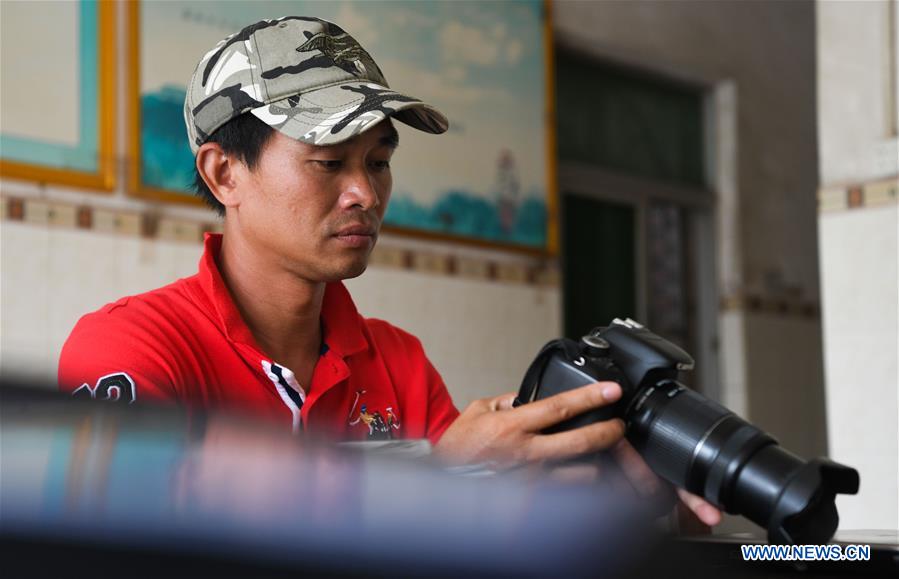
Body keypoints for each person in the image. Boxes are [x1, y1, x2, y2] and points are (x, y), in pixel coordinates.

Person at [58, 16, 720, 526]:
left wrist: (592, 489)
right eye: (328, 162)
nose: (365, 195)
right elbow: (128, 538)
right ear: (224, 172)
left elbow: (464, 532)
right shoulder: (134, 347)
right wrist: (441, 472)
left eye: (377, 161)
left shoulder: (396, 361)